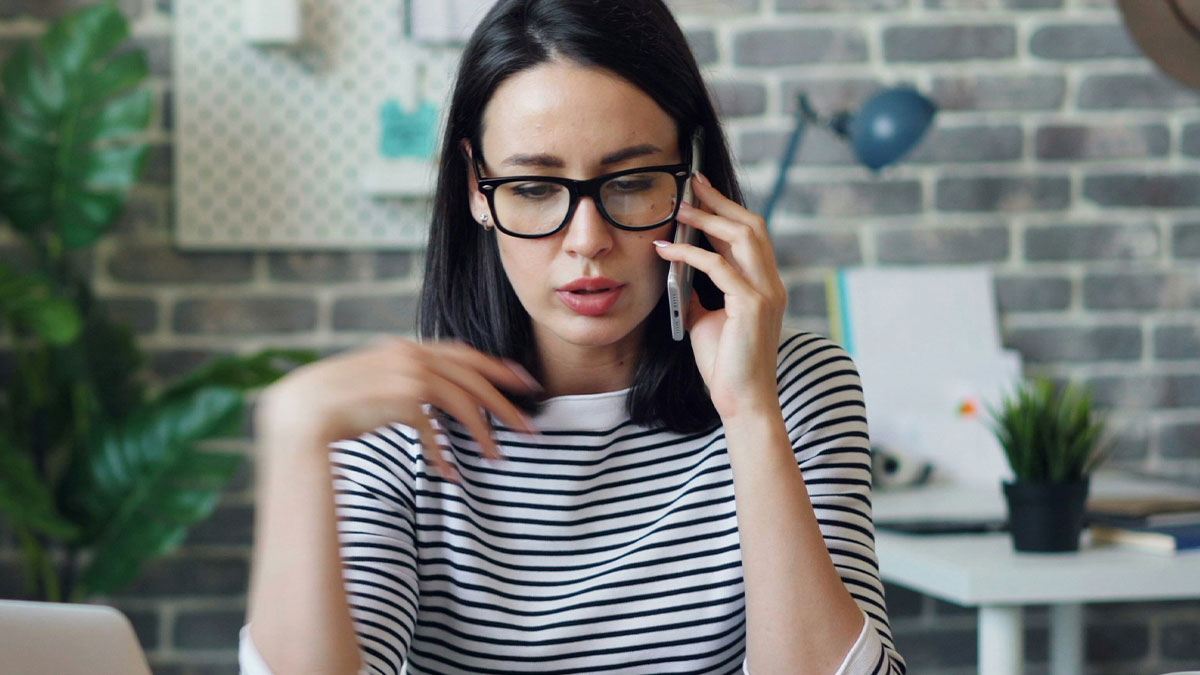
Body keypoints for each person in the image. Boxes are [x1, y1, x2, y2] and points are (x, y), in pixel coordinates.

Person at [240, 0, 906, 673]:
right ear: (476, 187)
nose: (588, 241)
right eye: (533, 187)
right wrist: (294, 440)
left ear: (693, 177)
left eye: (635, 182)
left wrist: (751, 411)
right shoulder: (396, 423)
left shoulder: (794, 387)